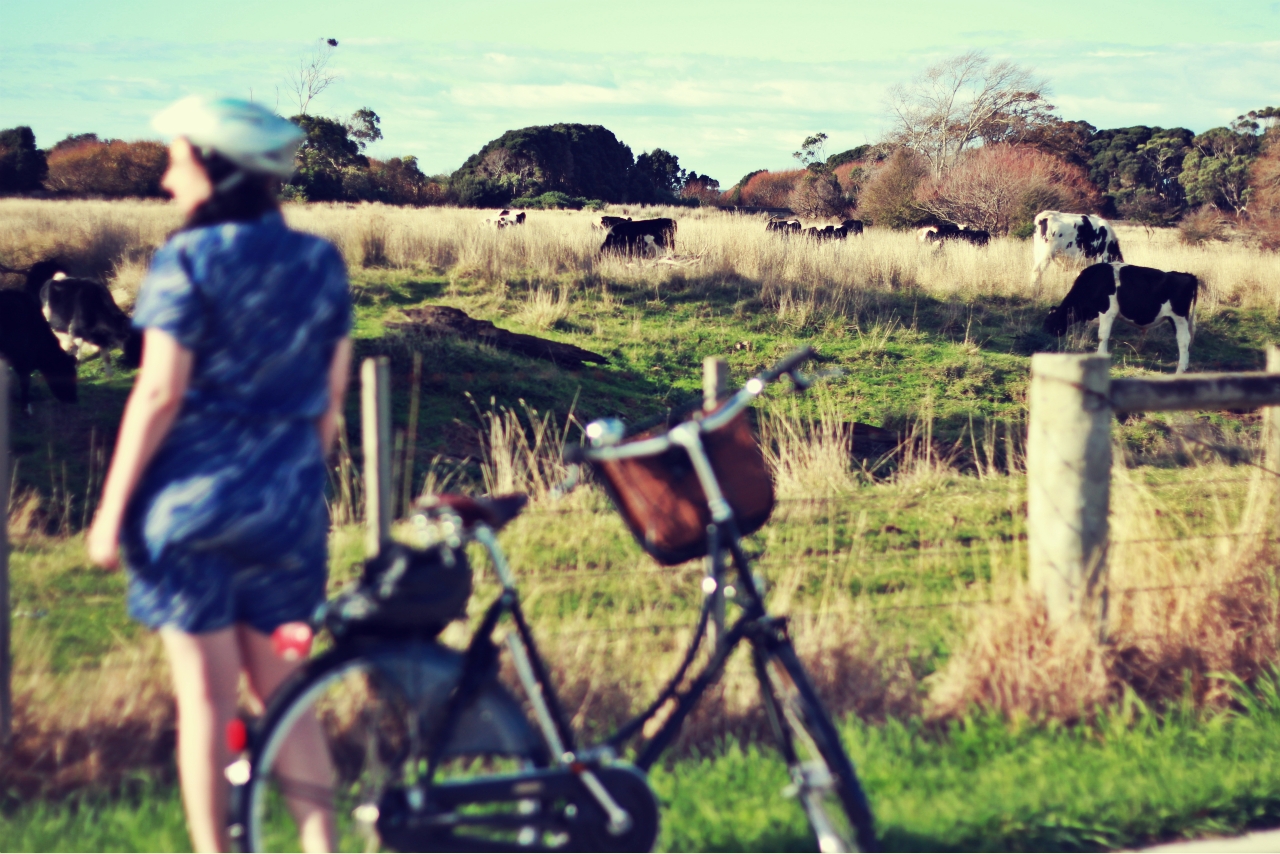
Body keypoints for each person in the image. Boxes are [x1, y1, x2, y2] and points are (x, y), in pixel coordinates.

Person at [87, 96, 353, 853]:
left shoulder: (187, 262)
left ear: (216, 167)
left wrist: (110, 515)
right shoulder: (319, 262)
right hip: (287, 509)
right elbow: (328, 406)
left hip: (192, 511)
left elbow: (161, 392)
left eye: (178, 160)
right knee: (289, 699)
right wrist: (294, 482)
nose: (169, 180)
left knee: (205, 704)